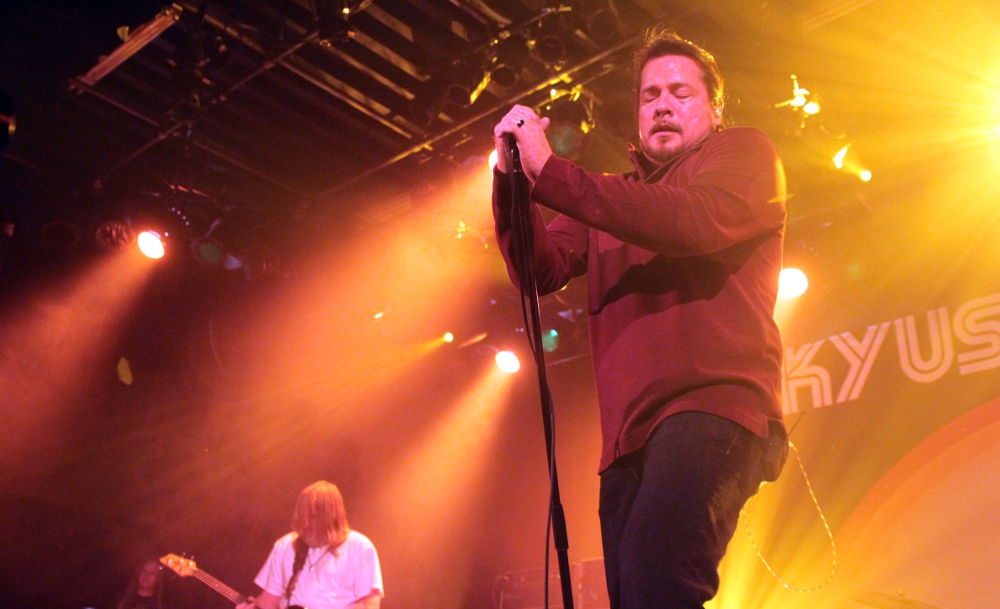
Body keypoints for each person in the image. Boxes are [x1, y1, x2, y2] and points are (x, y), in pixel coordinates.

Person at [491, 29, 787, 609]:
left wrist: (553, 171)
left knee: (659, 580)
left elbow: (691, 221)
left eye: (680, 92)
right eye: (650, 96)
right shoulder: (610, 196)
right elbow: (539, 271)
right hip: (626, 439)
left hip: (712, 405)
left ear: (714, 108)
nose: (663, 105)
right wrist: (511, 182)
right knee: (634, 596)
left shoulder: (743, 152)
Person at [239, 481, 383, 609]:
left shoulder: (359, 547)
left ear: (332, 516)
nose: (307, 523)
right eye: (303, 516)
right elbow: (270, 599)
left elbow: (369, 603)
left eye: (314, 517)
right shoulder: (285, 546)